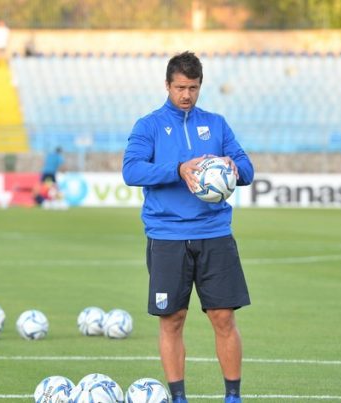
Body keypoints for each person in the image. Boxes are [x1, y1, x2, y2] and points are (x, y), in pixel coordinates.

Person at [122, 51, 255, 403]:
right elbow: (131, 170)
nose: (186, 95)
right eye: (180, 87)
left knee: (223, 317)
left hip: (215, 234)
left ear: (200, 86)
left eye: (193, 88)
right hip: (167, 237)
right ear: (167, 85)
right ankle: (178, 398)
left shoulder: (216, 124)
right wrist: (178, 169)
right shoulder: (148, 126)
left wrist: (233, 167)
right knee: (172, 319)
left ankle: (233, 397)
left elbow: (247, 168)